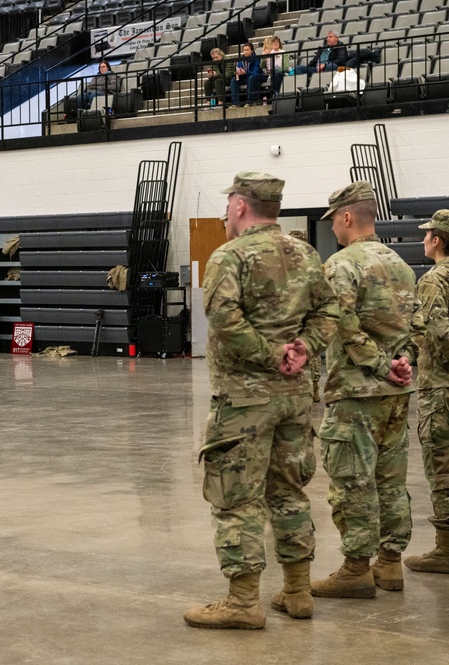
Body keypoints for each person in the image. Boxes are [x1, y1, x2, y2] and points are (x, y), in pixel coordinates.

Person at [183, 173, 338, 630]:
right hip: (295, 398)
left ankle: (244, 602)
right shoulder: (306, 253)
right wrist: (304, 348)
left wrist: (271, 356)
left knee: (237, 499)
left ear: (238, 206)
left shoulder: (229, 255)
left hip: (245, 401)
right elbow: (329, 311)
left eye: (228, 203)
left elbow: (224, 318)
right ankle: (298, 592)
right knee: (288, 492)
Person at [310, 181, 423, 599]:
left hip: (357, 394)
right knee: (390, 479)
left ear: (346, 217)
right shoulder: (401, 265)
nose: (334, 232)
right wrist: (402, 363)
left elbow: (339, 321)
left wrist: (378, 364)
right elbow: (416, 326)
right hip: (396, 393)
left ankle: (357, 568)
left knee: (352, 480)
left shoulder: (342, 265)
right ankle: (389, 564)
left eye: (334, 223)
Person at [404, 210, 449, 574]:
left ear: (437, 239)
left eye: (427, 234)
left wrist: (417, 341)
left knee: (442, 465)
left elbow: (439, 336)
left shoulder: (434, 280)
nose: (422, 240)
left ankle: (445, 548)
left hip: (441, 389)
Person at [289, 229, 323, 401]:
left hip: (305, 321)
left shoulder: (313, 268)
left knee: (309, 355)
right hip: (298, 323)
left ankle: (313, 386)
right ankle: (311, 387)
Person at [229, 42, 266, 107]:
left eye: (247, 50)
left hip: (256, 76)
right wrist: (238, 72)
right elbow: (240, 69)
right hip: (244, 76)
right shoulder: (240, 59)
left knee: (251, 78)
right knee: (234, 80)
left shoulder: (257, 59)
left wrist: (245, 72)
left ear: (252, 51)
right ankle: (235, 103)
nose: (245, 52)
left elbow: (256, 72)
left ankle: (250, 102)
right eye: (244, 50)